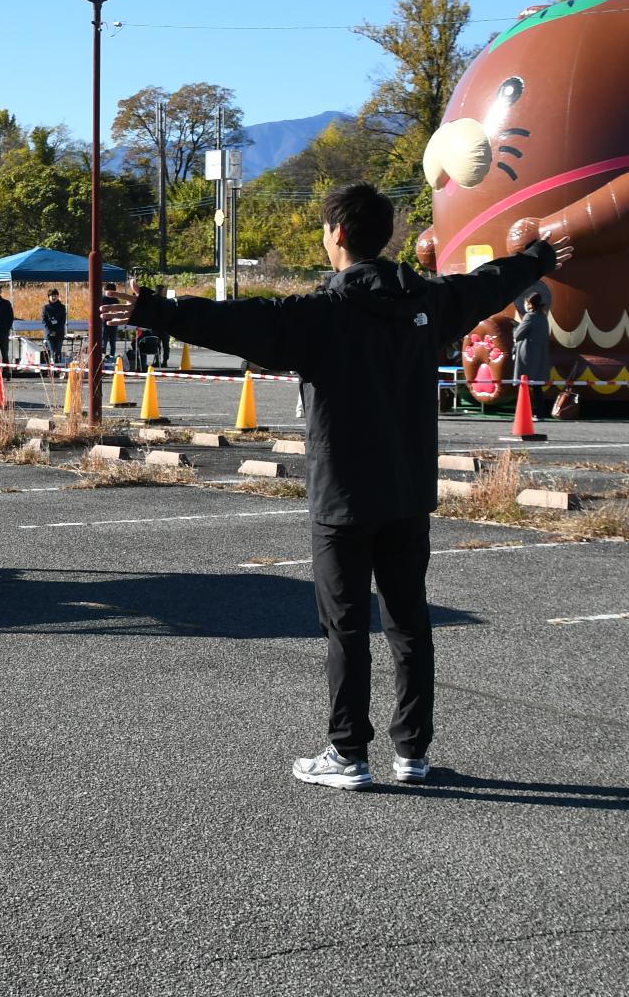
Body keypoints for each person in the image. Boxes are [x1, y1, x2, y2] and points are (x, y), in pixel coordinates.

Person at [101, 183, 572, 791]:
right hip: (407, 492)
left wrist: (155, 311)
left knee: (346, 624)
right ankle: (412, 753)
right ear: (383, 236)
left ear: (339, 235)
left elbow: (239, 323)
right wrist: (537, 258)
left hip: (343, 498)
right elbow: (488, 283)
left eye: (326, 232)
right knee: (408, 619)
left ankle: (348, 753)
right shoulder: (429, 300)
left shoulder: (320, 314)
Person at [511, 291, 551, 414]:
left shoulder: (529, 317)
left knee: (524, 385)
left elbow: (518, 334)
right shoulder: (543, 317)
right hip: (540, 354)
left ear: (529, 304)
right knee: (536, 385)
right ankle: (540, 412)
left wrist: (514, 329)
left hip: (527, 354)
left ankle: (523, 412)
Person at [41, 288, 68, 367]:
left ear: (58, 296)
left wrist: (56, 331)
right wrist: (51, 331)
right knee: (53, 351)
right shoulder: (45, 308)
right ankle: (53, 370)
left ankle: (58, 370)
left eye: (55, 296)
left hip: (59, 333)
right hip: (49, 334)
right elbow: (44, 321)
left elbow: (63, 321)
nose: (53, 297)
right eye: (52, 296)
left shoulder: (62, 307)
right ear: (48, 297)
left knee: (58, 351)